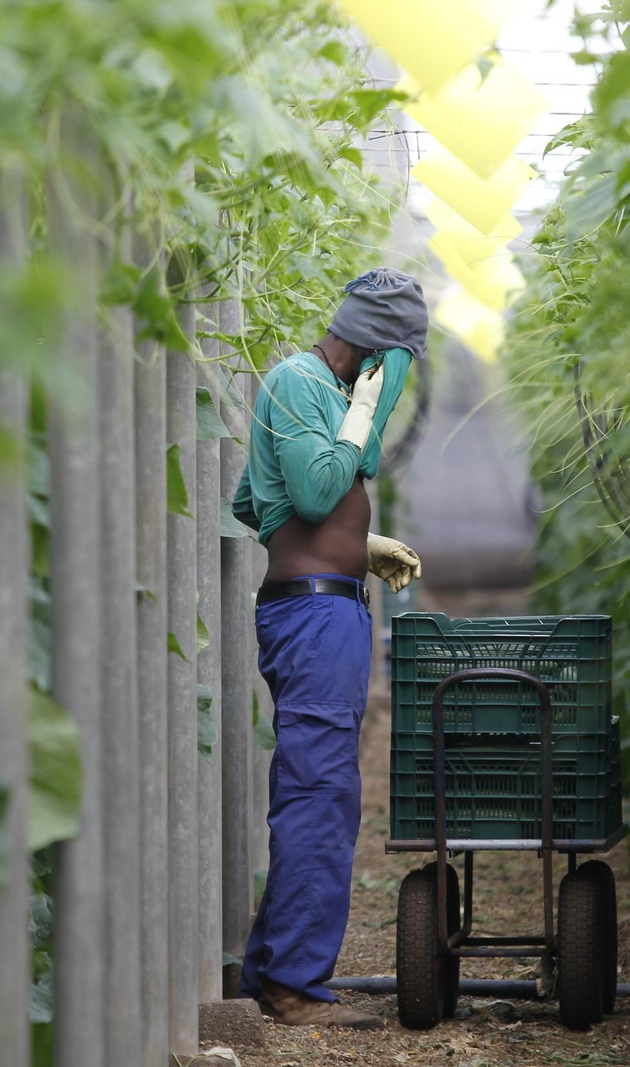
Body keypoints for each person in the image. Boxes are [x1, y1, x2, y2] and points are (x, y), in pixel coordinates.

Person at [231, 268, 428, 1030]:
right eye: (403, 364)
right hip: (313, 618)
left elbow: (258, 499)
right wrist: (359, 421)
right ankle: (291, 986)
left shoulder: (310, 388)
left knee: (319, 789)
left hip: (321, 609)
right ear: (384, 352)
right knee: (319, 796)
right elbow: (314, 492)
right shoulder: (300, 379)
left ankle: (273, 968)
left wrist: (354, 543)